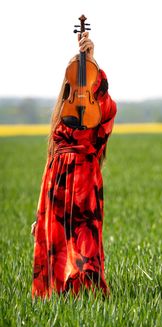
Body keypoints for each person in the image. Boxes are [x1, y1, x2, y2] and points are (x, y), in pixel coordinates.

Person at [31, 31, 117, 299]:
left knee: (85, 247)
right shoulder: (61, 117)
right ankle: (61, 298)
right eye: (78, 80)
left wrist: (92, 64)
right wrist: (39, 214)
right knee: (57, 246)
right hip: (57, 183)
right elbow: (48, 166)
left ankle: (88, 298)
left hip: (84, 181)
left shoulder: (96, 110)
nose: (82, 90)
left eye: (88, 84)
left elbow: (108, 109)